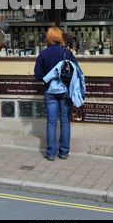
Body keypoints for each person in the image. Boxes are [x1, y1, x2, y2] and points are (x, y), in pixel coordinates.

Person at [34, 27, 85, 161]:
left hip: (50, 92)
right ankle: (63, 152)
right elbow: (76, 71)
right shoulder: (67, 53)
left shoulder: (43, 54)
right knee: (65, 122)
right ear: (60, 37)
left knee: (51, 123)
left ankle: (51, 153)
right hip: (65, 92)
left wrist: (49, 78)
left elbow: (38, 75)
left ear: (48, 37)